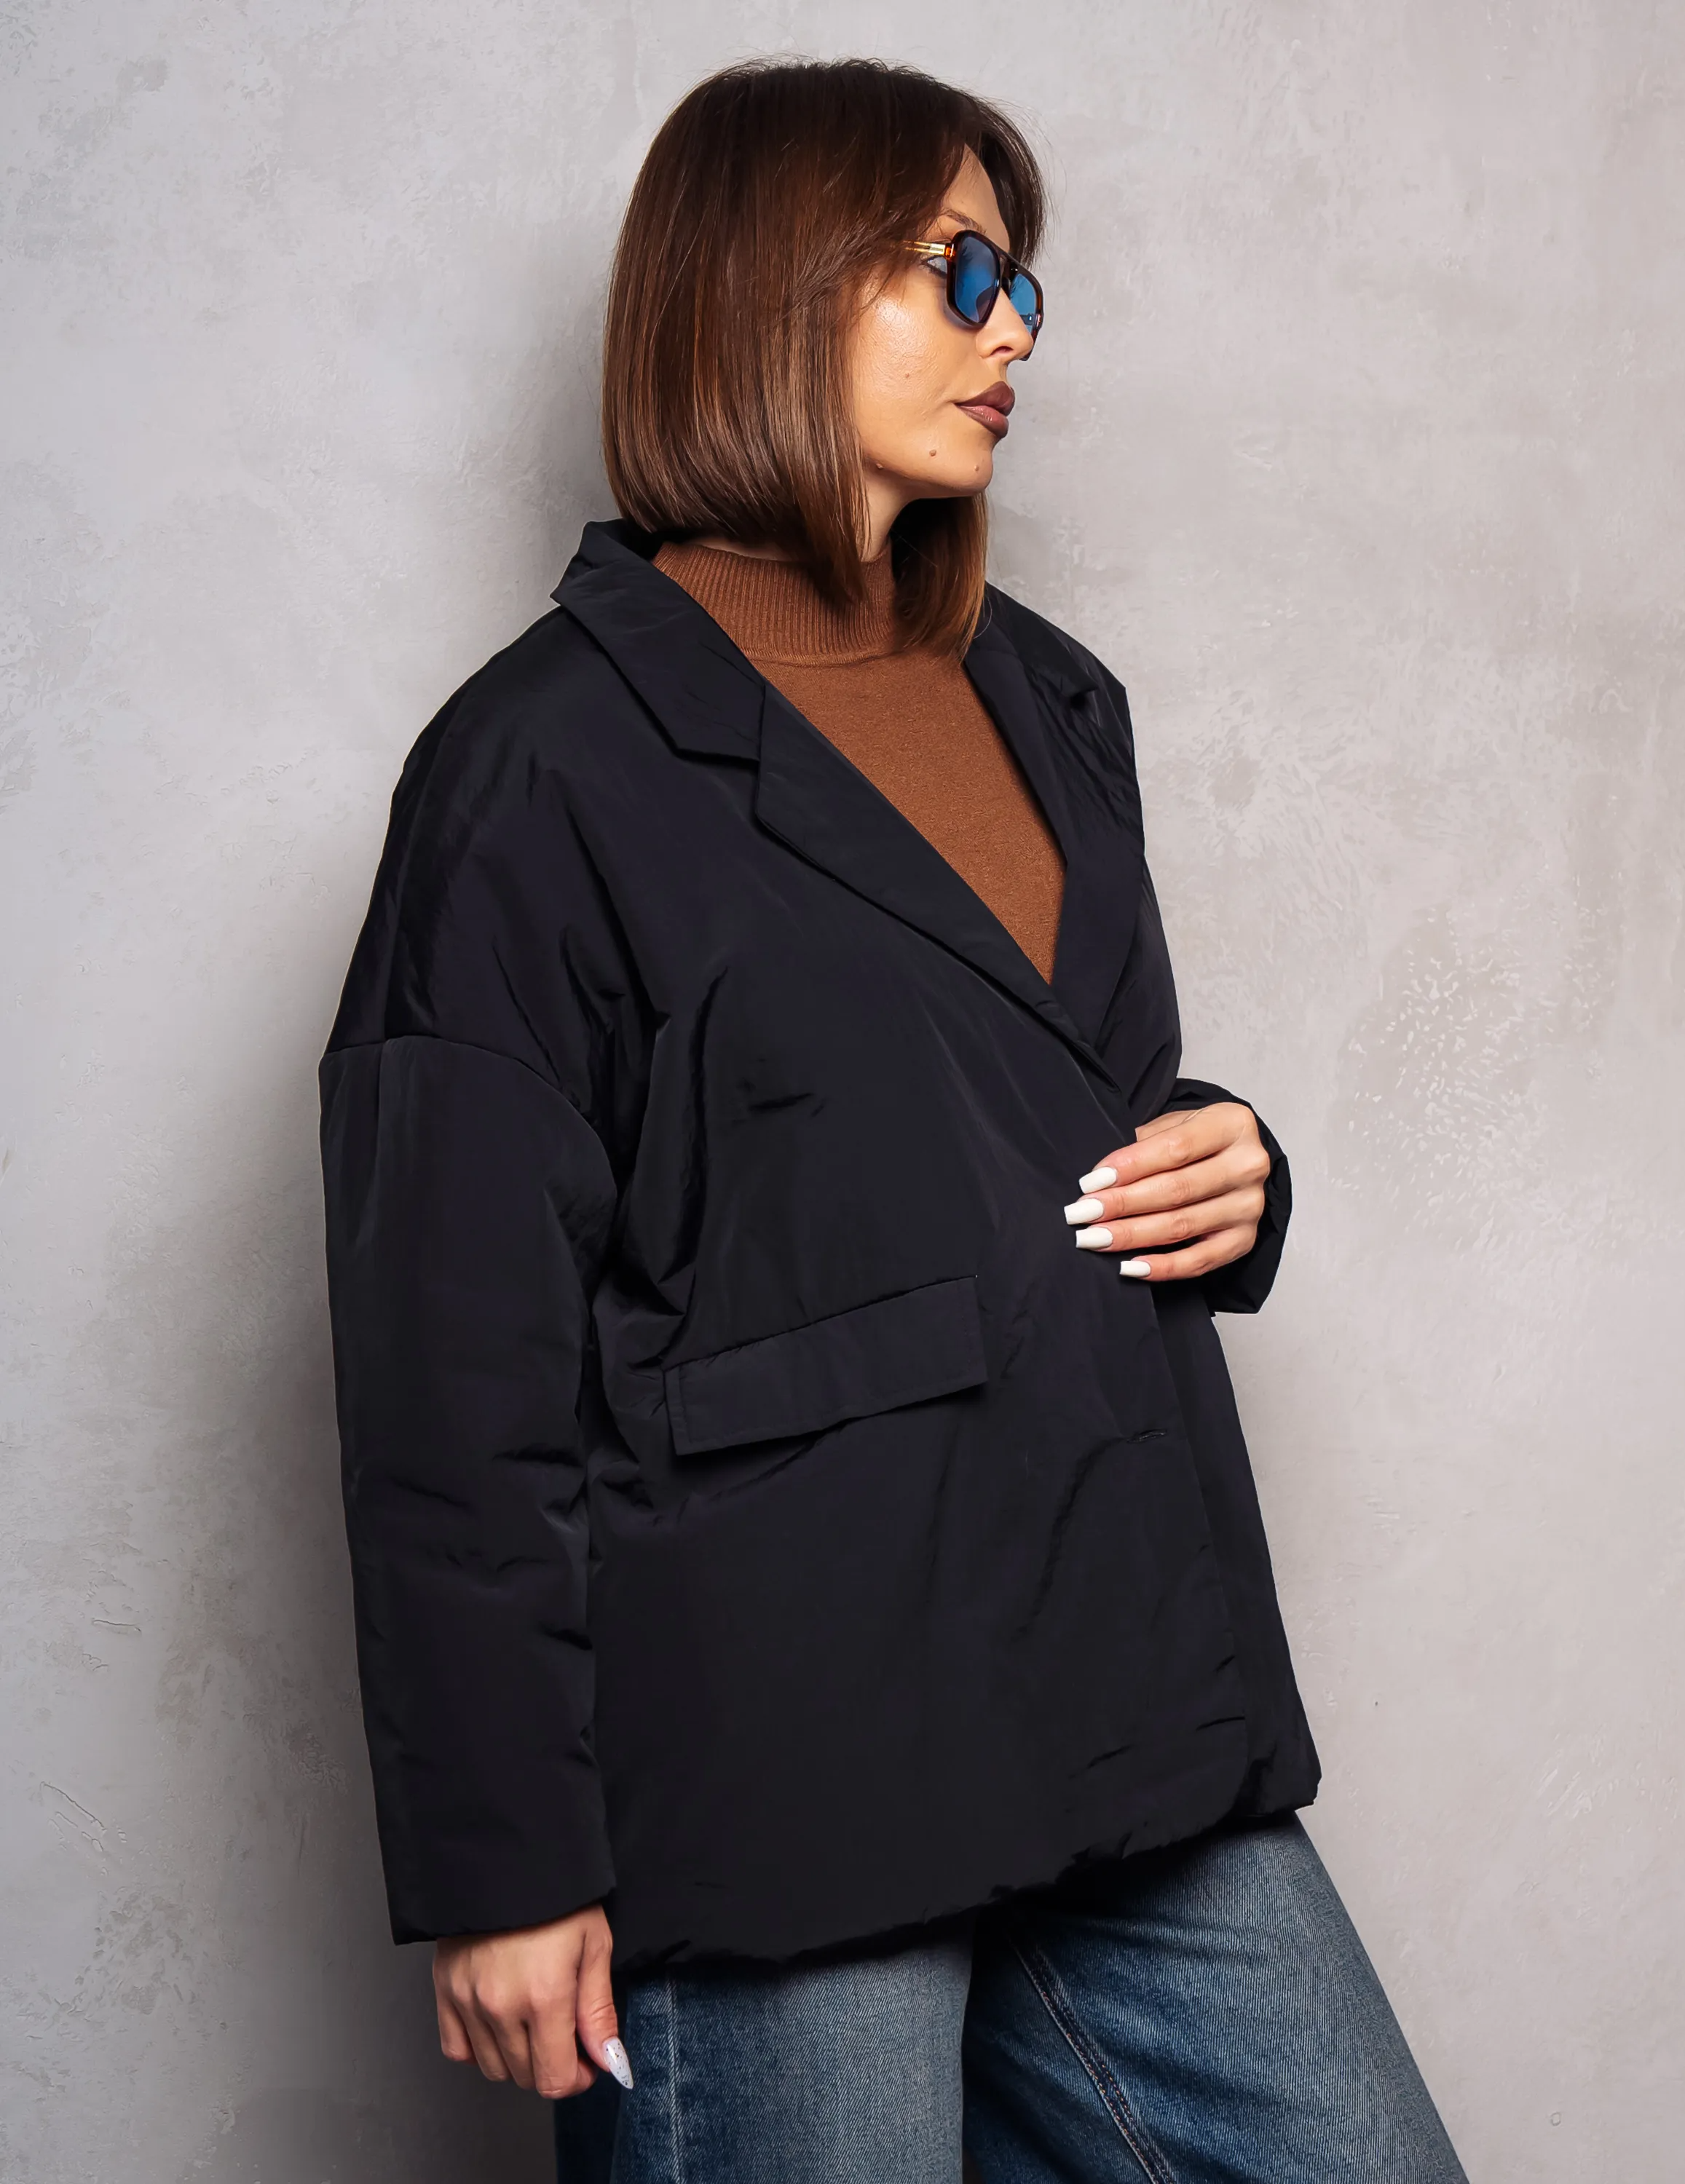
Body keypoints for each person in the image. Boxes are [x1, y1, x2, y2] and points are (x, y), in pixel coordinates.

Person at [320, 55, 1467, 2184]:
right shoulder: (539, 768)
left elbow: (981, 1094)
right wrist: (502, 1856)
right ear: (769, 283)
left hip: (1119, 1694)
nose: (1014, 329)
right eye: (958, 271)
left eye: (1022, 281)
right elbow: (444, 1368)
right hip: (786, 1769)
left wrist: (1234, 1167)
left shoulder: (1052, 698)